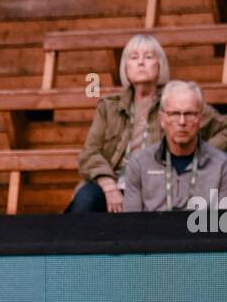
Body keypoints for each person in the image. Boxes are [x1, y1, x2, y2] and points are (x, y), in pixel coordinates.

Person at [68, 34, 227, 212]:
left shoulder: (174, 102)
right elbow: (89, 153)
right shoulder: (109, 106)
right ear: (125, 67)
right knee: (86, 200)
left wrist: (202, 151)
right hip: (111, 181)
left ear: (160, 65)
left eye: (148, 57)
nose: (141, 62)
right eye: (134, 57)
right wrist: (108, 185)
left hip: (155, 180)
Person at [123, 80, 227, 212]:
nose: (182, 122)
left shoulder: (222, 165)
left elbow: (222, 225)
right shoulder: (139, 163)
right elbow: (131, 224)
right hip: (152, 232)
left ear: (200, 119)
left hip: (202, 231)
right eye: (174, 114)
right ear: (162, 120)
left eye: (189, 114)